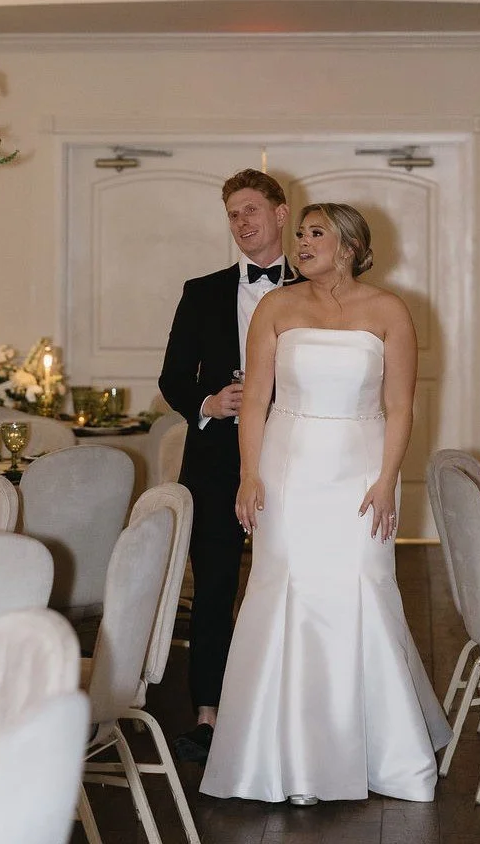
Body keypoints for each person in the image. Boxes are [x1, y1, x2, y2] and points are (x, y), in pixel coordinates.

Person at [200, 202, 451, 805]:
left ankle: (375, 749)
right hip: (286, 468)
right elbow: (255, 398)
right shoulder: (276, 307)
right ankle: (282, 755)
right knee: (284, 590)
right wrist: (248, 476)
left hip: (359, 468)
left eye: (317, 234)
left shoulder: (389, 311)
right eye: (303, 233)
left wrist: (388, 478)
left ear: (350, 245)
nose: (304, 242)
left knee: (361, 587)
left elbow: (401, 406)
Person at [159, 169, 295, 764]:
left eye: (252, 211)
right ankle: (208, 715)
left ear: (281, 214)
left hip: (293, 456)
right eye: (233, 215)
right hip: (214, 462)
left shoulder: (318, 287)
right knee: (214, 586)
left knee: (286, 580)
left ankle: (284, 702)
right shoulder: (202, 291)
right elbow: (171, 379)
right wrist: (208, 404)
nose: (242, 224)